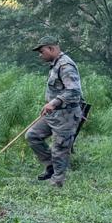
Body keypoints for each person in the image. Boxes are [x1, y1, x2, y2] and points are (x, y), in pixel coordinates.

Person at [26, 37, 84, 187]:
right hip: (54, 113)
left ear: (51, 49)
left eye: (41, 51)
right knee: (32, 135)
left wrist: (54, 102)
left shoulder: (65, 65)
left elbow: (74, 91)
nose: (40, 55)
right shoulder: (55, 64)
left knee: (60, 148)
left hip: (66, 114)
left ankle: (57, 181)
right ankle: (50, 166)